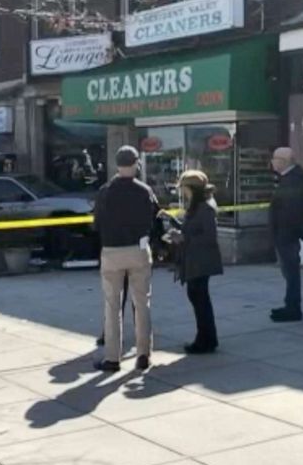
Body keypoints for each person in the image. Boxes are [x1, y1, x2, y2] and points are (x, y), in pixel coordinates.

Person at [92, 145, 160, 372]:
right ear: (136, 163)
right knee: (142, 303)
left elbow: (97, 223)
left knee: (112, 305)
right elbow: (156, 221)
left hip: (111, 251)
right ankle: (144, 355)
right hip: (138, 250)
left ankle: (112, 357)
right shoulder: (145, 191)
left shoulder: (105, 191)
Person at [169, 171, 223, 354]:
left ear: (191, 188)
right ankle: (206, 338)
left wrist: (183, 238)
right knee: (198, 299)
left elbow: (209, 237)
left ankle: (205, 340)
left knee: (200, 300)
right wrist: (173, 223)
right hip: (194, 260)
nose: (182, 192)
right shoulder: (195, 207)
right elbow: (191, 229)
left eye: (183, 188)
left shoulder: (205, 208)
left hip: (201, 261)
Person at [268, 147, 303, 323]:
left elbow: (294, 211)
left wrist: (285, 234)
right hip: (285, 235)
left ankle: (293, 308)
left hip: (287, 236)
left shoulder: (292, 181)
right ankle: (290, 304)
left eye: (274, 158)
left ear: (283, 161)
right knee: (289, 273)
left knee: (291, 272)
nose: (272, 162)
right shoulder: (288, 179)